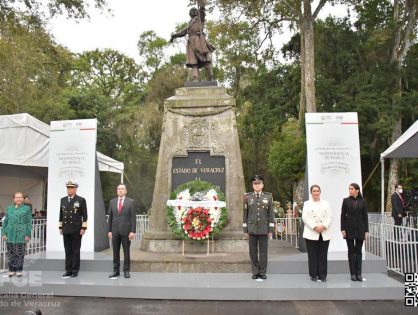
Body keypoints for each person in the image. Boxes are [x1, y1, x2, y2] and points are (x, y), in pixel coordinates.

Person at [170, 0, 215, 81]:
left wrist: (201, 6)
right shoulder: (190, 23)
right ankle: (196, 78)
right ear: (189, 13)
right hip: (191, 43)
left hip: (199, 41)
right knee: (193, 62)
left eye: (195, 10)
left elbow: (202, 11)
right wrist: (174, 36)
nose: (193, 11)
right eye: (191, 11)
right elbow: (183, 32)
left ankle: (211, 77)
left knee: (205, 60)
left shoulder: (200, 19)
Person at [243, 175, 274, 280]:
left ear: (262, 185)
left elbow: (271, 214)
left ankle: (262, 272)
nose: (257, 185)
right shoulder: (247, 197)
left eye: (259, 183)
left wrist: (270, 230)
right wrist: (245, 229)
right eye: (255, 184)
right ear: (252, 185)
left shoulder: (268, 197)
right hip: (251, 228)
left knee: (263, 252)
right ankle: (255, 272)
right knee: (252, 251)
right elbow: (245, 214)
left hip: (264, 228)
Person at [302, 185, 332, 282]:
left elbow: (330, 217)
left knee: (323, 255)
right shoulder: (307, 204)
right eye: (314, 191)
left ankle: (323, 275)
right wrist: (315, 227)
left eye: (317, 190)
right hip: (311, 232)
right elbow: (305, 218)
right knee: (312, 255)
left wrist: (323, 226)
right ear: (311, 192)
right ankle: (313, 275)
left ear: (320, 192)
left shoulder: (326, 204)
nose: (316, 192)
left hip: (324, 232)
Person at [59, 180, 88, 278]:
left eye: (71, 188)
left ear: (75, 189)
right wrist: (60, 227)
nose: (69, 190)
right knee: (67, 250)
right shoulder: (63, 199)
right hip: (66, 228)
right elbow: (61, 215)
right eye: (68, 188)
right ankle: (68, 270)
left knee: (75, 250)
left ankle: (75, 270)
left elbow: (85, 215)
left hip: (76, 229)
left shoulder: (80, 200)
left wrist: (83, 228)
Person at [108, 183, 137, 279]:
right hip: (115, 231)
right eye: (119, 189)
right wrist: (109, 231)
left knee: (126, 252)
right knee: (115, 252)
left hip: (126, 231)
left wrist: (132, 231)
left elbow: (133, 218)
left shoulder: (131, 202)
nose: (120, 190)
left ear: (126, 191)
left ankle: (126, 271)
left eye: (122, 189)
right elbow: (110, 217)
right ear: (117, 191)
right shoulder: (112, 202)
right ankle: (116, 271)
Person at [340, 183, 369, 281]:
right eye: (349, 189)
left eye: (352, 189)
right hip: (349, 229)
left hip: (360, 229)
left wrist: (366, 231)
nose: (350, 190)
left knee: (359, 252)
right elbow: (343, 216)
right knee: (351, 251)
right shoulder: (346, 201)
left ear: (357, 190)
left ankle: (359, 274)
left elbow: (365, 216)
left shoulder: (363, 201)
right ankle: (353, 274)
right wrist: (342, 229)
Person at [1, 192, 32, 277]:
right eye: (17, 197)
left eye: (20, 197)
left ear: (22, 199)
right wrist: (3, 233)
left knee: (19, 253)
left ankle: (18, 270)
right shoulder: (9, 208)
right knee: (11, 253)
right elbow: (6, 221)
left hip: (21, 234)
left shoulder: (27, 208)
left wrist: (28, 234)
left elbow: (29, 222)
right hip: (10, 234)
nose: (18, 199)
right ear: (14, 199)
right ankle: (11, 270)